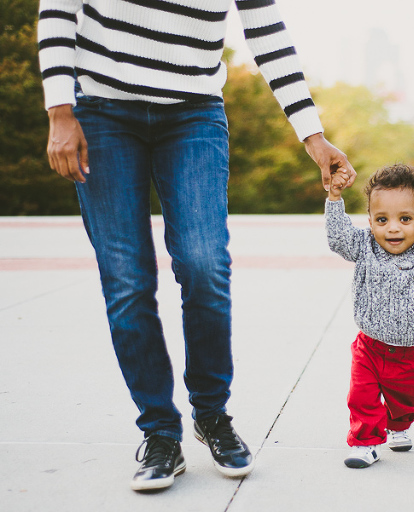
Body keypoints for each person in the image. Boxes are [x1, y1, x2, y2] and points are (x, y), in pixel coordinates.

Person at [37, 0, 355, 491]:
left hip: (193, 114)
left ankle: (212, 414)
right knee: (127, 280)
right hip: (102, 110)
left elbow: (267, 31)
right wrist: (59, 109)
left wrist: (313, 136)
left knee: (205, 265)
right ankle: (160, 431)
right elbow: (58, 7)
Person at [325, 163, 414, 468]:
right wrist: (334, 197)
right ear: (371, 221)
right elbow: (337, 237)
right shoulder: (363, 246)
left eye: (405, 219)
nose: (393, 228)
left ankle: (398, 425)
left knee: (407, 402)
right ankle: (364, 443)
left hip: (413, 354)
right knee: (361, 395)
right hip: (370, 348)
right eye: (382, 219)